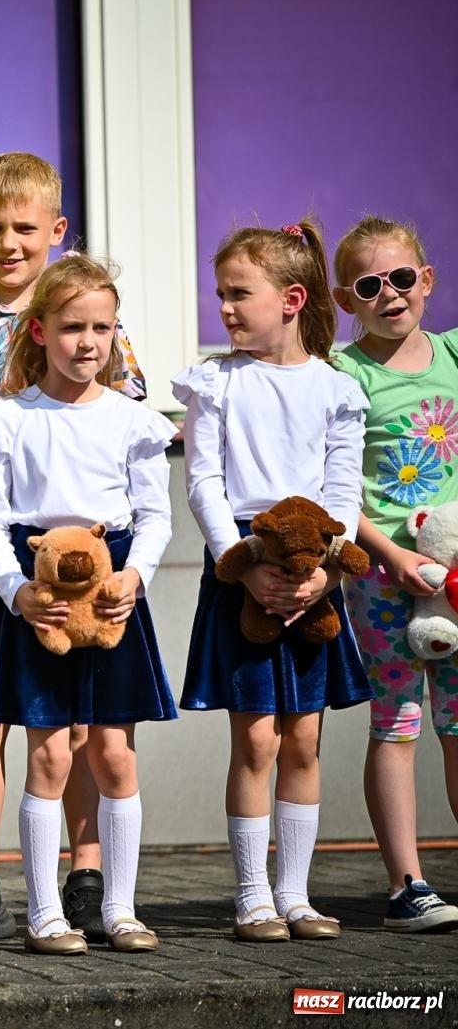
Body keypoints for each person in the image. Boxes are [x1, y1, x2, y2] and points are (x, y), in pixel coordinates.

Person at [0, 153, 148, 943]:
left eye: (24, 227)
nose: (8, 243)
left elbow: (127, 425)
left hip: (86, 564)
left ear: (56, 230)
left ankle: (85, 877)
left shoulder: (92, 319)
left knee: (79, 724)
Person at [0, 254, 177, 954]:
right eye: (71, 327)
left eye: (102, 328)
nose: (87, 342)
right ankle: (45, 913)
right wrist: (18, 591)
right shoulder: (8, 420)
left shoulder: (132, 420)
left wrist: (136, 578)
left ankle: (119, 907)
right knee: (50, 756)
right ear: (39, 331)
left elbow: (155, 515)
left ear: (117, 332)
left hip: (114, 598)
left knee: (114, 754)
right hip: (40, 598)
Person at [174, 218, 371, 942]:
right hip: (244, 567)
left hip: (313, 570)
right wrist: (246, 566)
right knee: (255, 739)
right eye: (219, 293)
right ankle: (253, 893)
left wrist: (321, 572)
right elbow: (204, 484)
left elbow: (342, 490)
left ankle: (296, 893)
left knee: (302, 741)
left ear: (291, 299)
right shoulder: (215, 381)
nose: (224, 308)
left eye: (238, 293)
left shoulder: (336, 389)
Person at [330, 216, 458, 932]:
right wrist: (389, 553)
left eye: (402, 278)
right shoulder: (345, 374)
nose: (391, 294)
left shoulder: (454, 354)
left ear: (427, 280)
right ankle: (406, 882)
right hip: (384, 578)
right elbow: (340, 490)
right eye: (371, 285)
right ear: (349, 299)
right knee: (399, 718)